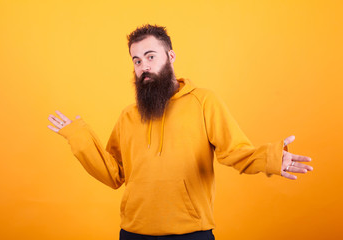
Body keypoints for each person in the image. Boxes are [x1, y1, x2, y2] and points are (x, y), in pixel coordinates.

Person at [48, 24, 313, 240]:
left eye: (151, 56)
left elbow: (236, 152)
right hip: (133, 233)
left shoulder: (204, 102)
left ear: (170, 57)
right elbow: (113, 174)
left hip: (190, 233)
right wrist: (79, 136)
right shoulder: (129, 115)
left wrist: (272, 158)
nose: (144, 67)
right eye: (137, 61)